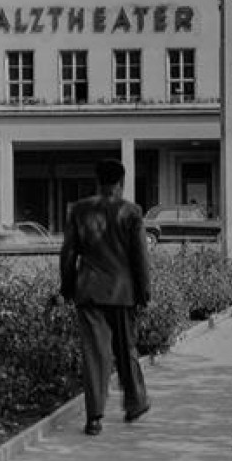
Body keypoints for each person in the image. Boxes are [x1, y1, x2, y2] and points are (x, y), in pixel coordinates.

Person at [59, 158, 152, 436]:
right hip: (123, 293)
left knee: (94, 355)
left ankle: (94, 418)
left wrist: (67, 287)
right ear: (121, 183)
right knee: (127, 350)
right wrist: (144, 291)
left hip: (89, 292)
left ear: (98, 181)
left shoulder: (79, 210)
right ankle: (135, 401)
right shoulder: (131, 212)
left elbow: (68, 253)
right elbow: (140, 257)